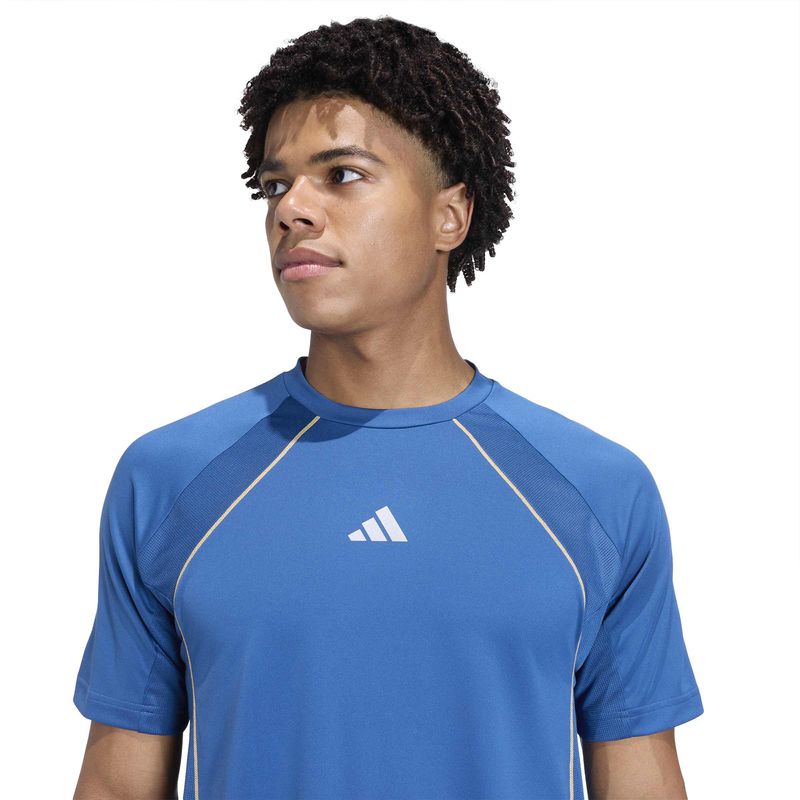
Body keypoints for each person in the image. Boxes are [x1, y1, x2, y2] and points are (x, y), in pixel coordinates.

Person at [72, 15, 703, 800]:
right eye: (276, 185)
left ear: (451, 215)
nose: (291, 210)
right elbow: (117, 784)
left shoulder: (597, 491)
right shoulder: (169, 480)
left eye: (341, 174)